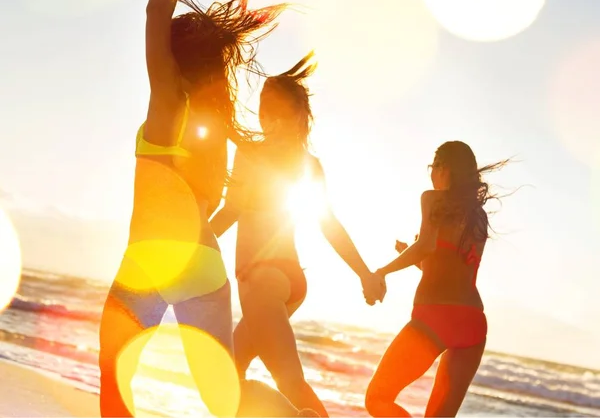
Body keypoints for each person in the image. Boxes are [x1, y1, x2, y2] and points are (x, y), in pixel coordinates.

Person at [98, 0, 292, 416]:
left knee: (114, 377)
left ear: (176, 54)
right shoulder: (213, 126)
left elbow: (153, 11)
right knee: (222, 397)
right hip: (200, 265)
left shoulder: (170, 100)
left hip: (148, 260)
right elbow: (214, 206)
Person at [210, 52, 386, 417]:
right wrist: (364, 273)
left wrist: (191, 243)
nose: (263, 115)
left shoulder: (251, 153)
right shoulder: (308, 163)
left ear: (291, 115)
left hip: (262, 279)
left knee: (289, 382)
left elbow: (231, 211)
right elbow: (328, 223)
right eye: (261, 105)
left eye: (270, 107)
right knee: (226, 372)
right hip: (289, 283)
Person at [365, 141, 508, 417]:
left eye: (434, 166)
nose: (431, 173)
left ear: (444, 168)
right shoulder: (479, 218)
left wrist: (382, 272)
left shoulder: (432, 199)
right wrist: (412, 254)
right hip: (472, 325)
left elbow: (427, 247)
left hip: (434, 318)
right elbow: (450, 269)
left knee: (377, 399)